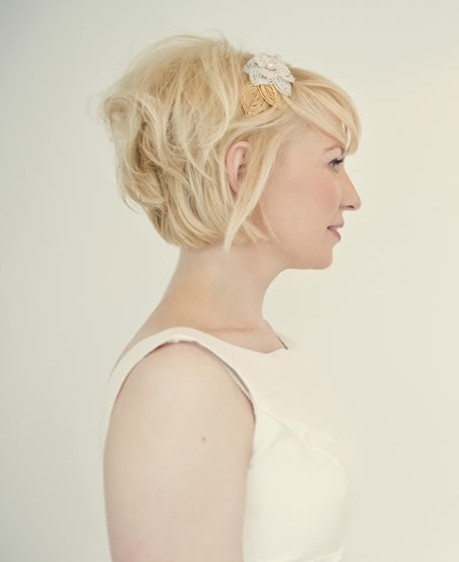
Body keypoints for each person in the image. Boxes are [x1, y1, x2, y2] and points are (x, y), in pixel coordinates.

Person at [100, 33, 362, 562]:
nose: (353, 197)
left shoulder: (265, 347)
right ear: (242, 171)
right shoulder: (179, 382)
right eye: (334, 162)